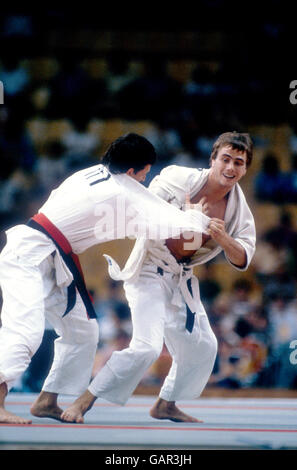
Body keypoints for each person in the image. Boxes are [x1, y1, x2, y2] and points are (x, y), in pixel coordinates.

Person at [0, 132, 209, 424]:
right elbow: (167, 219)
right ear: (131, 170)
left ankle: (47, 400)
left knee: (83, 331)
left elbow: (144, 201)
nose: (145, 181)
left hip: (54, 256)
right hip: (29, 254)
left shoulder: (92, 173)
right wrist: (197, 217)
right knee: (26, 329)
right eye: (144, 174)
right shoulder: (122, 191)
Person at [61, 131, 256, 424]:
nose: (231, 168)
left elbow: (242, 255)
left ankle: (165, 404)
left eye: (239, 163)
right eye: (225, 159)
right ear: (212, 159)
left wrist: (221, 236)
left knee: (204, 346)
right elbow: (138, 210)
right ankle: (84, 401)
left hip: (182, 278)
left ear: (245, 168)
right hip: (150, 268)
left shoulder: (238, 211)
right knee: (147, 347)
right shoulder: (178, 178)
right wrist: (186, 217)